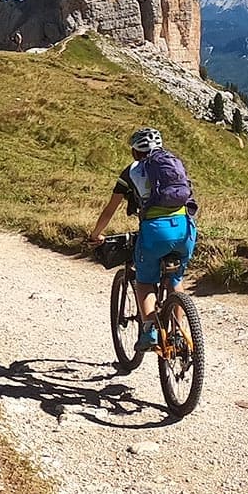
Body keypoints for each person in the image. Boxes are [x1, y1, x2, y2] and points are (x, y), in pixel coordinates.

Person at [89, 126, 198, 348]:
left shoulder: (131, 171)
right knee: (175, 280)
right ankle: (179, 333)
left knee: (145, 281)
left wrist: (96, 234)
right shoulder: (173, 164)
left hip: (154, 231)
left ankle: (149, 330)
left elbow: (110, 209)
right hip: (185, 228)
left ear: (134, 151)